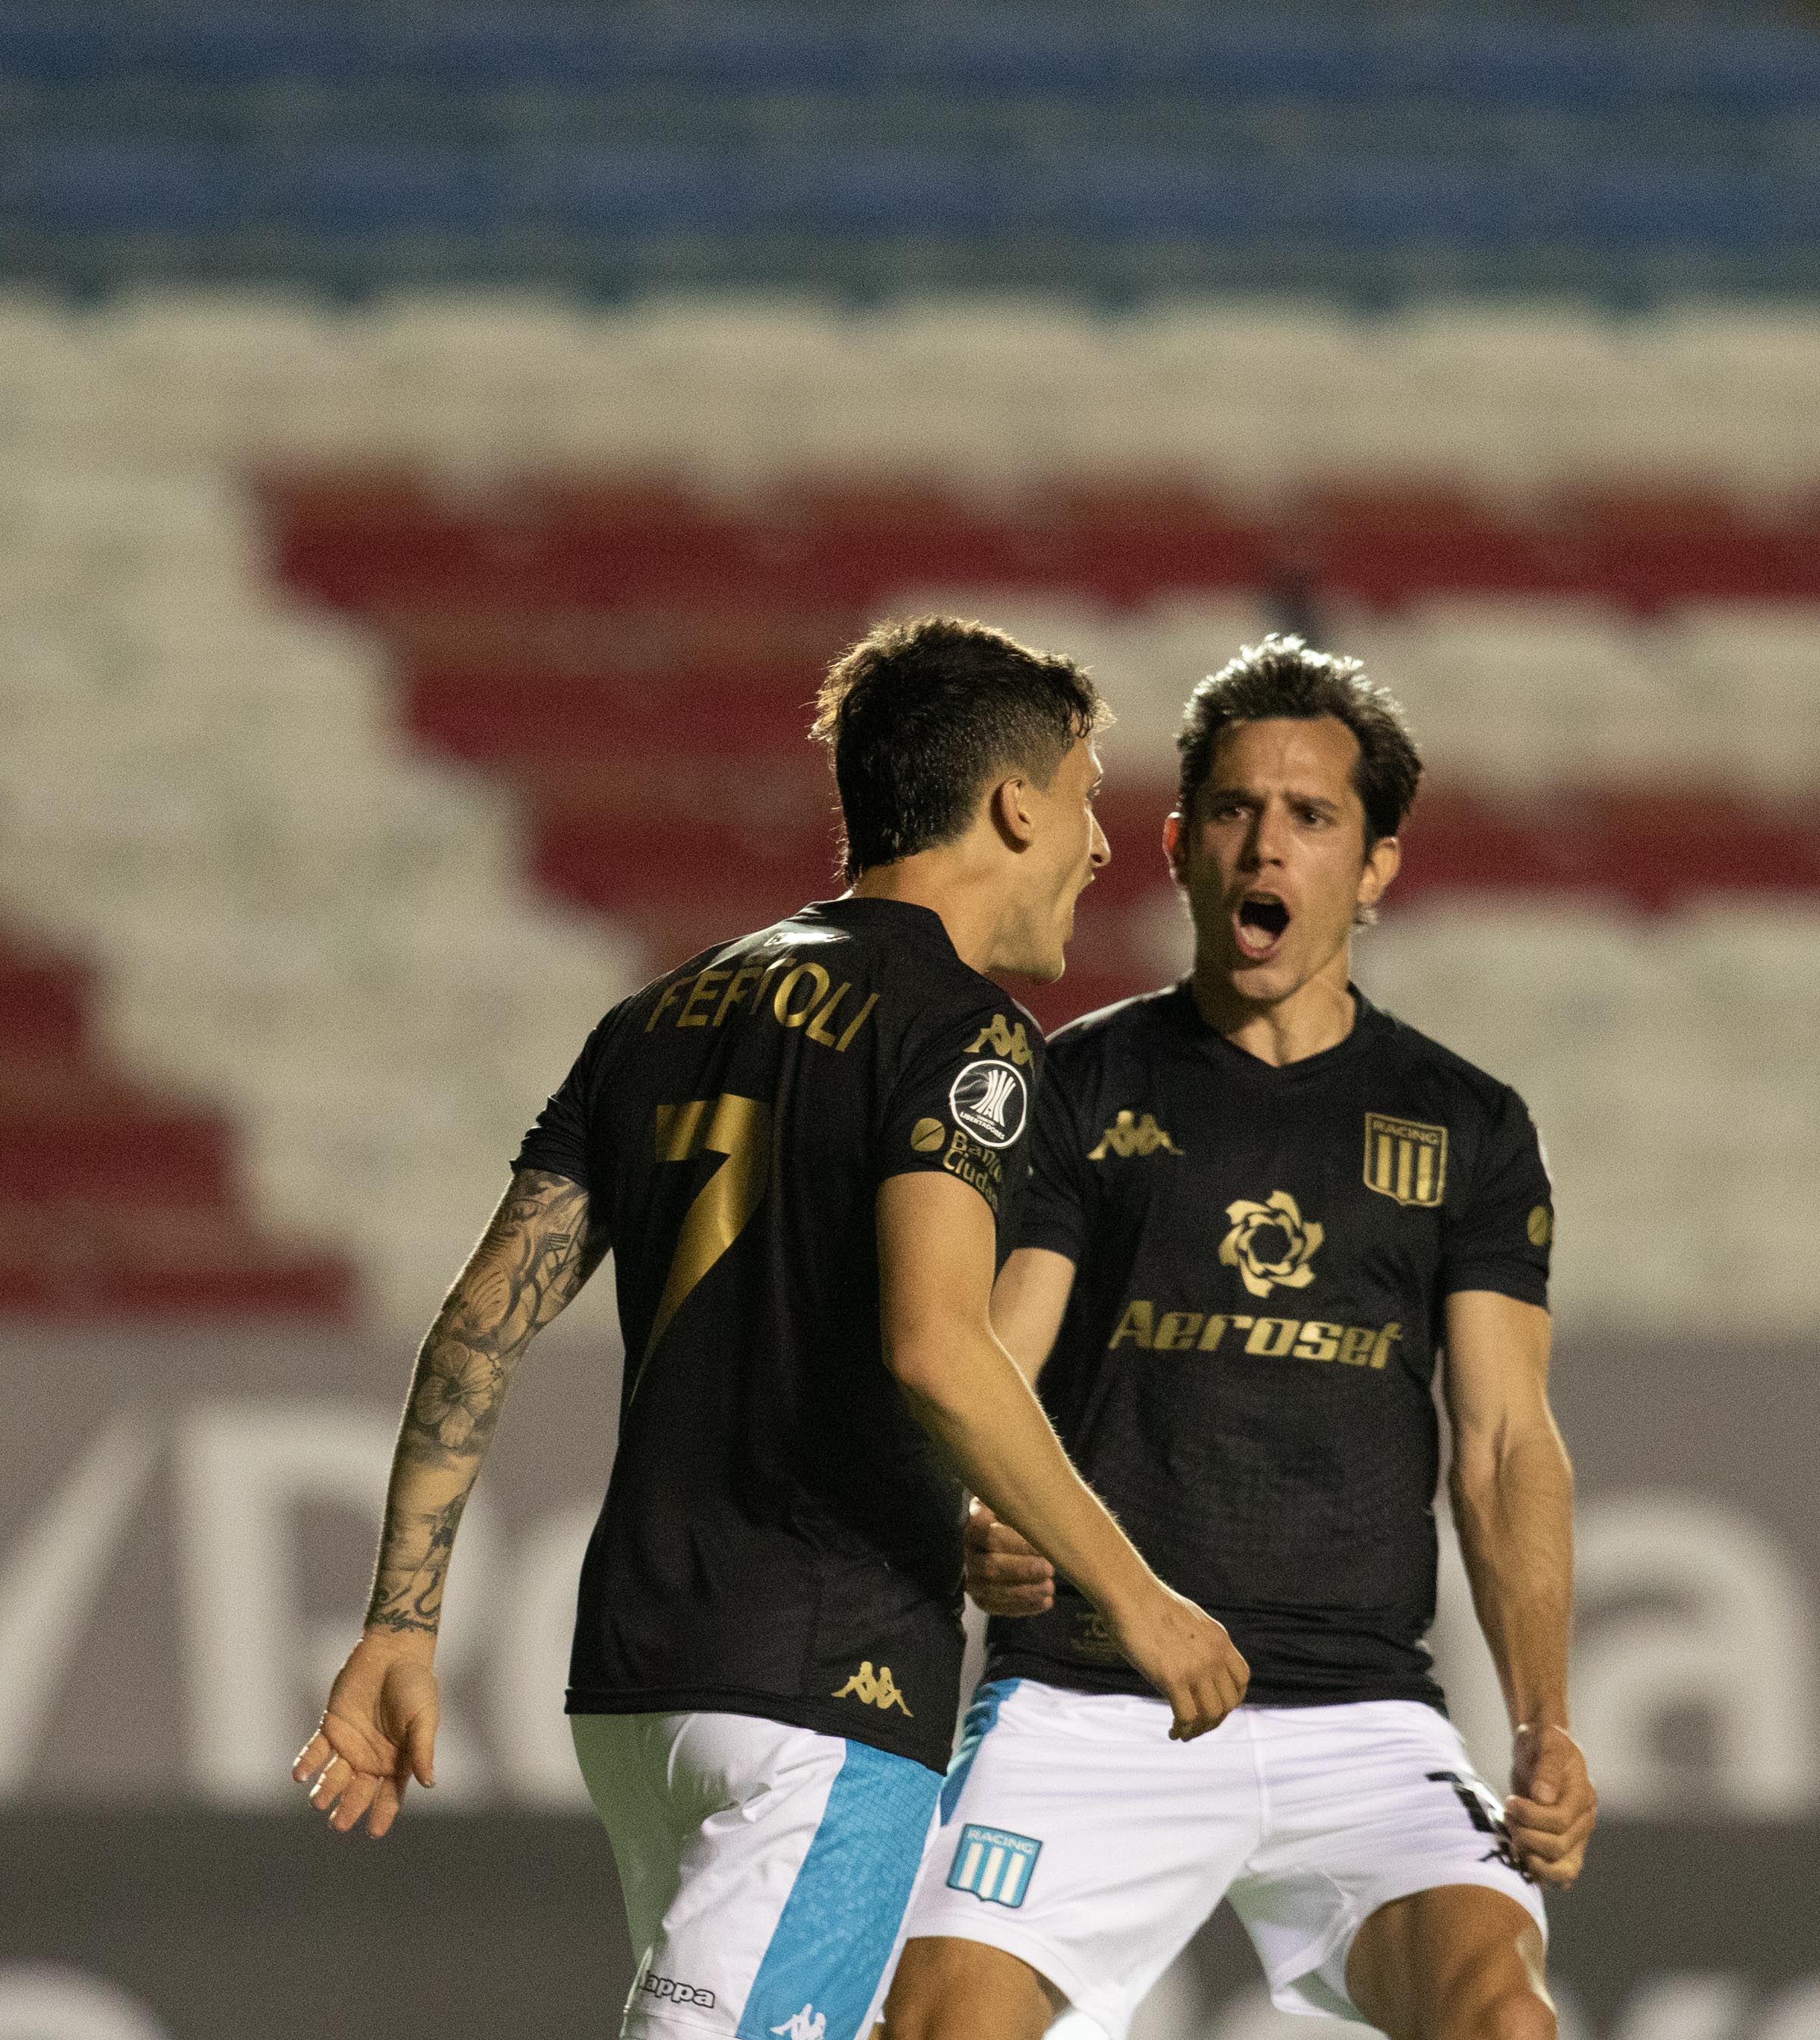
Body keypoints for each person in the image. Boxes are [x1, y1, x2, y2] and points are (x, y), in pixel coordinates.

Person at [293, 615, 1250, 2040]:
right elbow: (938, 1344)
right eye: (1086, 797)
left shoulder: (658, 1015)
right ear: (1014, 804)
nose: (1104, 851)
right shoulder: (968, 1038)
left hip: (642, 1681)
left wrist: (400, 1623)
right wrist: (1141, 1599)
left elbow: (478, 1329)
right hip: (826, 1683)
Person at [878, 634, 1595, 2040]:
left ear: (1378, 865)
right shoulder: (1072, 1082)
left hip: (1361, 1715)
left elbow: (1507, 1446)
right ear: (1179, 845)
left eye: (1313, 817)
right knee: (938, 2031)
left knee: (1505, 2022)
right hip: (1092, 1693)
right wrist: (976, 1510)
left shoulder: (1467, 1123)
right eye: (1233, 811)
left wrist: (1543, 1723)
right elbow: (992, 1359)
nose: (1267, 844)